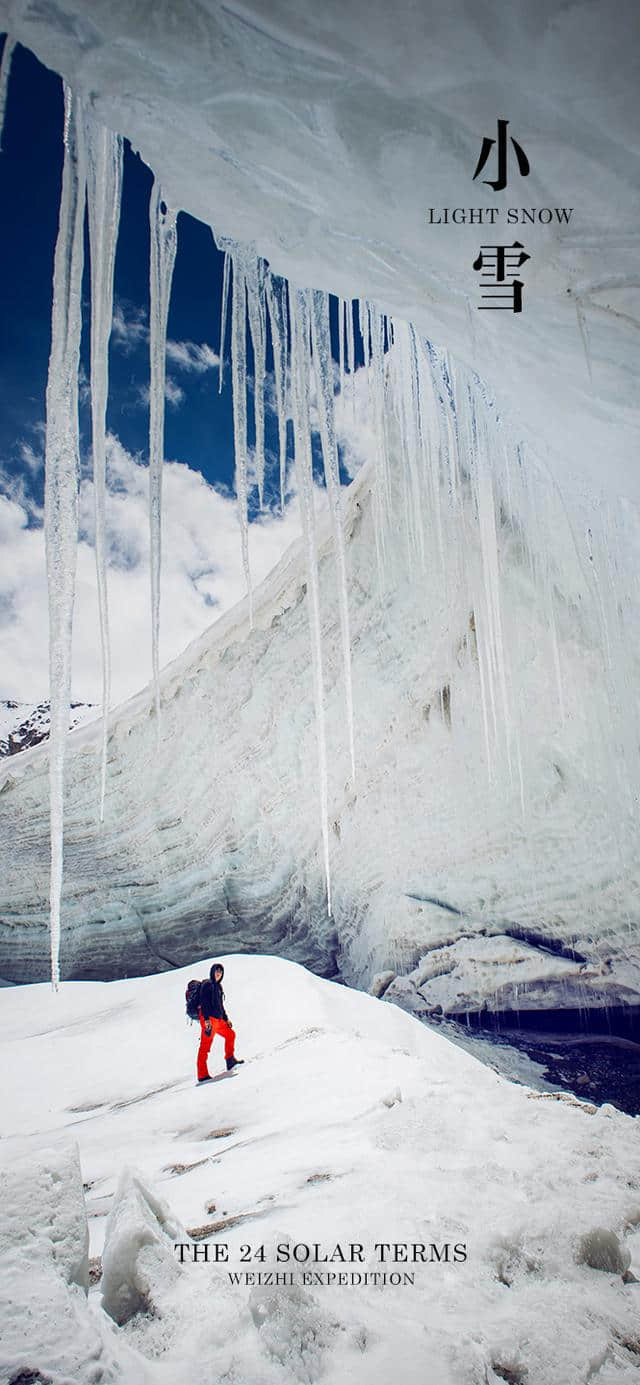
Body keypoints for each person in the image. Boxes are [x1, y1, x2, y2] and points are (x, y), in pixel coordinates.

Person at [197, 962, 244, 1083]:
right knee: (205, 1046)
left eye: (220, 972)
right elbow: (204, 1003)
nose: (218, 973)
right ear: (212, 972)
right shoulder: (207, 984)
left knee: (230, 1034)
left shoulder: (219, 986)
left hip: (219, 1020)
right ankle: (202, 1074)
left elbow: (220, 1006)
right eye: (217, 971)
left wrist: (226, 1018)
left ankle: (230, 1060)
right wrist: (206, 1020)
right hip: (209, 1020)